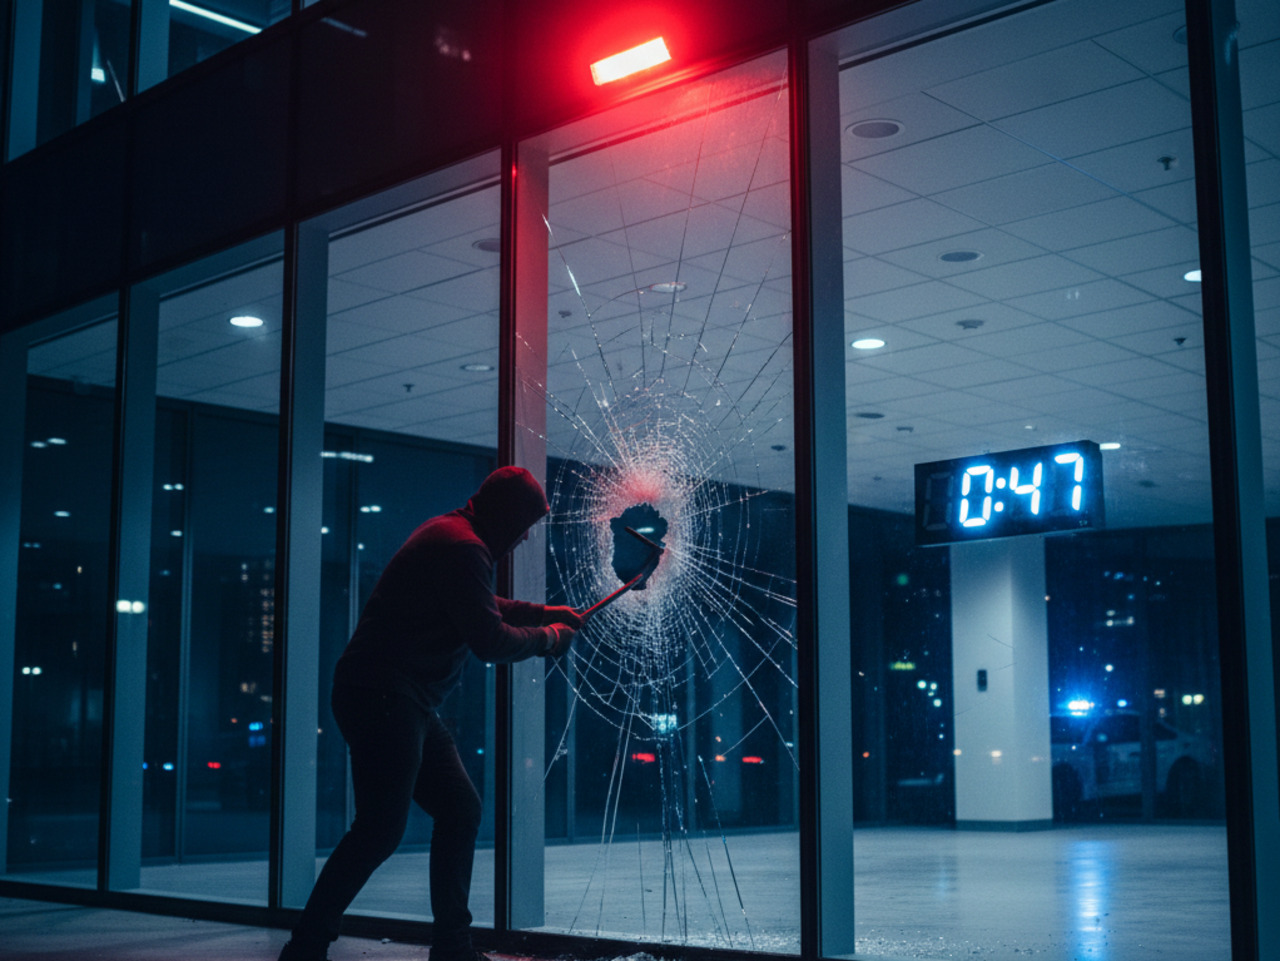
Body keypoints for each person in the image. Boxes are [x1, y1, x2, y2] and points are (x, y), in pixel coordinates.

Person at [279, 466, 583, 961]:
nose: (526, 536)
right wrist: (549, 640)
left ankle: (451, 947)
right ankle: (306, 948)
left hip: (398, 698)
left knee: (458, 809)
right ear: (505, 515)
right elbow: (487, 639)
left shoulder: (451, 534)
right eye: (525, 523)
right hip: (386, 697)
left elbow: (481, 603)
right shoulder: (462, 546)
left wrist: (543, 613)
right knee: (379, 829)